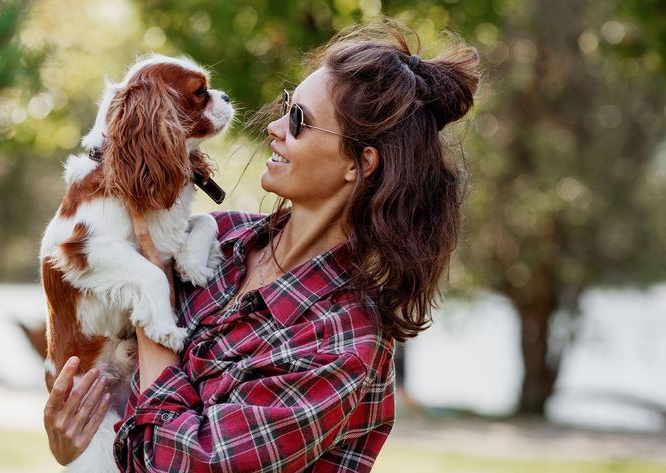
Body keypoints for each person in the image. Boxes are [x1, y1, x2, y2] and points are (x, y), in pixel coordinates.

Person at [44, 19, 480, 472]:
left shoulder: (340, 342)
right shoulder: (223, 238)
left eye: (298, 121)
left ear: (359, 163)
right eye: (287, 105)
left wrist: (152, 302)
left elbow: (184, 465)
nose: (274, 126)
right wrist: (70, 443)